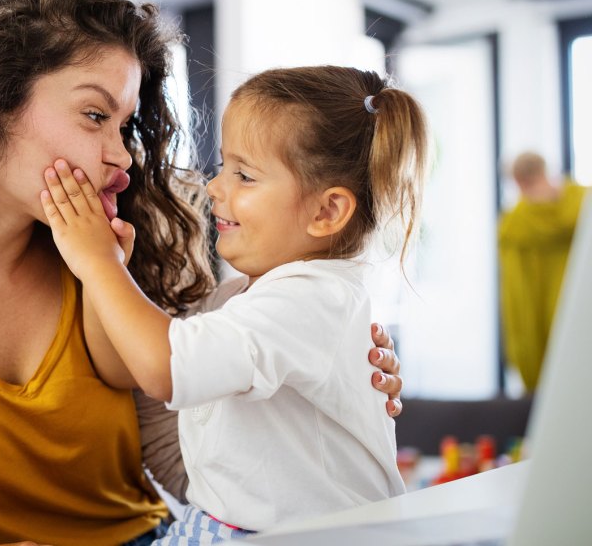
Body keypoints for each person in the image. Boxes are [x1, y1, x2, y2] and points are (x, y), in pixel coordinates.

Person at [0, 0, 402, 546]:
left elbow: (200, 461)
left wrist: (316, 398)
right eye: (93, 116)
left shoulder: (112, 258)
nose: (124, 156)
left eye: (124, 126)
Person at [40, 64, 428, 543]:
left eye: (244, 175)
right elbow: (131, 367)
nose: (214, 187)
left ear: (327, 212)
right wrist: (103, 274)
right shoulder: (254, 295)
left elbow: (164, 367)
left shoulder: (306, 300)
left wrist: (101, 265)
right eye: (225, 167)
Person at [499, 151, 587, 392]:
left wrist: (525, 358)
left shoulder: (515, 227)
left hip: (544, 345)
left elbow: (517, 300)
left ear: (518, 181)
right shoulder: (584, 206)